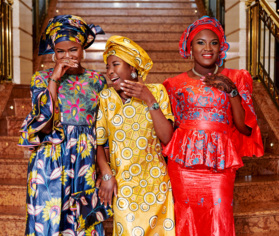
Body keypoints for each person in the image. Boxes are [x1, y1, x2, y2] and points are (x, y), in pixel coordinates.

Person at [162, 16, 264, 236]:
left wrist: (231, 91)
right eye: (200, 42)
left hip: (220, 165)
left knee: (220, 215)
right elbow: (173, 128)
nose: (207, 48)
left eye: (214, 43)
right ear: (189, 48)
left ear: (221, 48)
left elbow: (246, 128)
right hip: (183, 165)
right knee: (185, 216)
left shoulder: (236, 77)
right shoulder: (173, 84)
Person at [18, 15, 111, 235]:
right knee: (47, 223)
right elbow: (47, 127)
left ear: (83, 48)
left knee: (82, 225)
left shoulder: (97, 80)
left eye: (73, 49)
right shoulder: (41, 79)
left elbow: (102, 129)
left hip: (84, 161)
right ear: (53, 52)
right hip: (49, 161)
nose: (67, 56)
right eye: (60, 51)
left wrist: (104, 168)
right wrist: (55, 80)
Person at [95, 35, 176, 236]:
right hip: (124, 187)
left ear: (132, 68)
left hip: (157, 186)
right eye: (107, 67)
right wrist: (106, 174)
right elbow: (98, 143)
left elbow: (167, 137)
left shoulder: (157, 91)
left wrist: (149, 99)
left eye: (115, 64)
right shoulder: (106, 98)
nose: (110, 71)